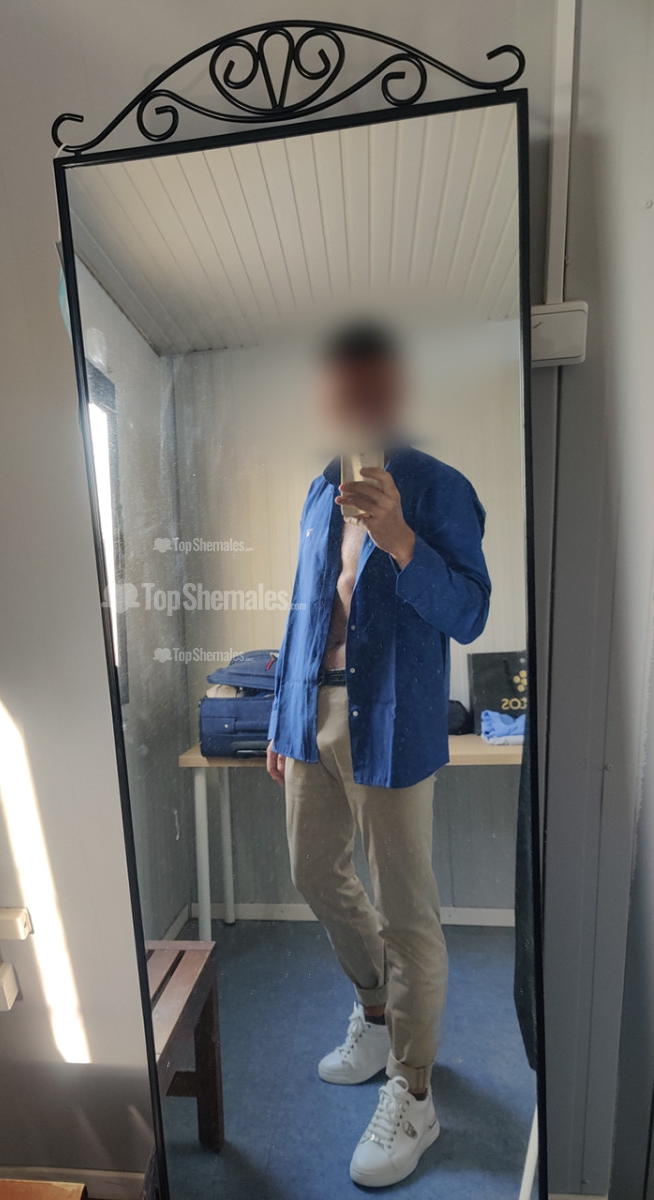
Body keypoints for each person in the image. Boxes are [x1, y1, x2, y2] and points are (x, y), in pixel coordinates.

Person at [266, 322, 491, 1187]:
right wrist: (282, 718)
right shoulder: (316, 493)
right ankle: (374, 1013)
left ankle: (415, 1089)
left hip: (392, 717)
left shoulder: (438, 488)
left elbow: (470, 613)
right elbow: (304, 609)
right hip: (312, 711)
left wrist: (400, 537)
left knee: (407, 912)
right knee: (312, 873)